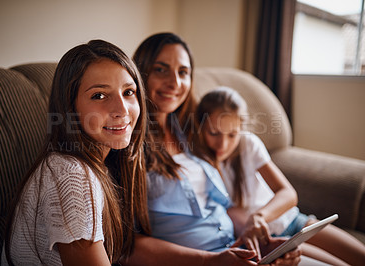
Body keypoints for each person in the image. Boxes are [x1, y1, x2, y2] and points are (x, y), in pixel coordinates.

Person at [123, 32, 302, 266]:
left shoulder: (193, 132)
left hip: (235, 248)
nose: (175, 83)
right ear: (141, 72)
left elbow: (219, 208)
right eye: (161, 69)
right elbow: (125, 245)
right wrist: (212, 260)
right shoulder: (127, 142)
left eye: (183, 72)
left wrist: (257, 241)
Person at [2, 39, 151, 265]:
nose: (122, 110)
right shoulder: (71, 176)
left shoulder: (99, 164)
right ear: (70, 108)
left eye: (129, 92)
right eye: (99, 95)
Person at [195, 86, 365, 266]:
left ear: (242, 129)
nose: (223, 143)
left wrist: (259, 216)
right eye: (214, 133)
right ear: (199, 126)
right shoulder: (199, 163)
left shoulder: (248, 144)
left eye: (232, 134)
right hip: (270, 239)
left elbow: (288, 194)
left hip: (293, 220)